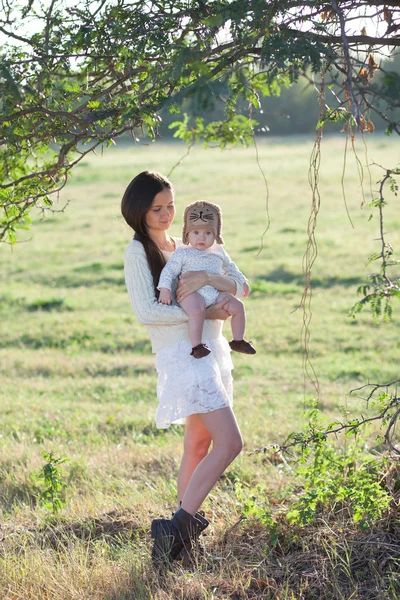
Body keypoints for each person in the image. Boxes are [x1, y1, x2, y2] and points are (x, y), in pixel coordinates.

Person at [121, 171, 245, 567]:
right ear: (139, 210)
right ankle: (177, 527)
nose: (166, 214)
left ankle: (179, 545)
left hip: (213, 349)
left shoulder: (189, 243)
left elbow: (237, 285)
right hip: (184, 355)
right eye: (157, 208)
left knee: (198, 444)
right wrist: (205, 310)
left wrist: (211, 279)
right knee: (230, 443)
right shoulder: (138, 251)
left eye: (171, 205)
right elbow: (147, 311)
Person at [157, 200, 256, 358]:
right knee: (197, 310)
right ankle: (197, 346)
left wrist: (242, 281)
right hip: (190, 294)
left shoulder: (218, 251)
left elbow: (230, 267)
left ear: (216, 234)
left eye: (207, 233)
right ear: (187, 233)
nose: (201, 237)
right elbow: (169, 271)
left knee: (238, 306)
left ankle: (238, 340)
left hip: (214, 293)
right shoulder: (183, 252)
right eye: (196, 233)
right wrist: (165, 289)